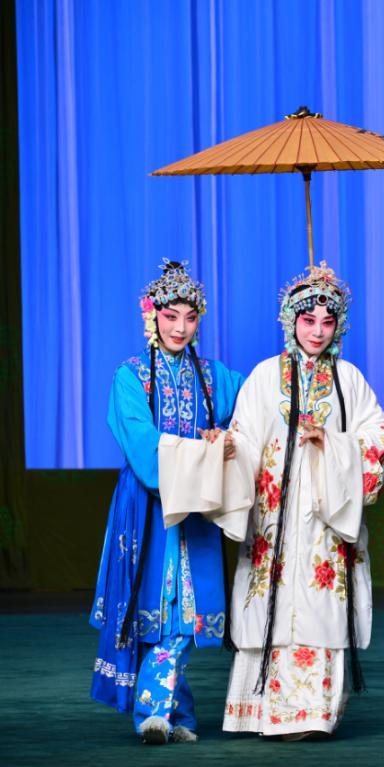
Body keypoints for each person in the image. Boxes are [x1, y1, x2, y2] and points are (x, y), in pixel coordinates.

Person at [220, 261, 384, 740]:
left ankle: (315, 714)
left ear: (339, 326)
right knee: (268, 601)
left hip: (324, 514)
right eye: (308, 319)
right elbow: (246, 438)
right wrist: (230, 448)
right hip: (274, 512)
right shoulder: (263, 376)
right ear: (289, 320)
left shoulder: (348, 379)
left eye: (327, 321)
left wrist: (332, 443)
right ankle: (264, 711)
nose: (317, 331)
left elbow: (379, 435)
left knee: (321, 607)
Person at [90, 260, 245, 744]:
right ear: (151, 315)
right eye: (170, 316)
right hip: (146, 506)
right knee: (150, 609)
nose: (180, 327)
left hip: (196, 509)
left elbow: (254, 409)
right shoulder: (131, 376)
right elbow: (141, 444)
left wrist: (228, 436)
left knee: (187, 611)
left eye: (190, 317)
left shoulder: (214, 377)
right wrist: (202, 454)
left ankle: (159, 713)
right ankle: (173, 715)